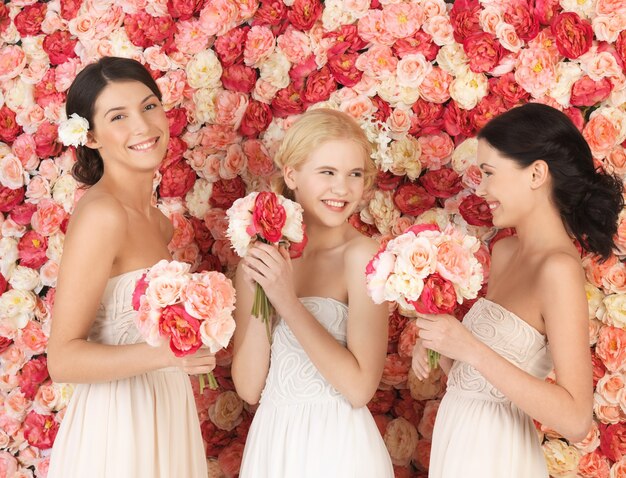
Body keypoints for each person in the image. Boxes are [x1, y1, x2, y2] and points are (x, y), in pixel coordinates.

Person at [412, 103, 624, 478]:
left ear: (537, 173)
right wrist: (439, 348)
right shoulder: (505, 251)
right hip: (458, 443)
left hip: (499, 456)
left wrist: (470, 348)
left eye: (490, 173)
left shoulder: (557, 269)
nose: (481, 188)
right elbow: (483, 384)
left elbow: (575, 419)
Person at [47, 57, 213, 478]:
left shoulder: (159, 222)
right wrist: (167, 355)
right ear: (92, 136)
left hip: (166, 411)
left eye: (149, 106)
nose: (142, 126)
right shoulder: (103, 214)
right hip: (118, 426)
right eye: (118, 116)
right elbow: (63, 359)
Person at [232, 108, 394, 477]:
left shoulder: (362, 257)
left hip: (338, 447)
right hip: (275, 445)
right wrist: (263, 287)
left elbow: (358, 388)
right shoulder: (263, 259)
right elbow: (249, 388)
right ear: (292, 175)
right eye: (327, 173)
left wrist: (287, 301)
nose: (342, 189)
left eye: (354, 174)